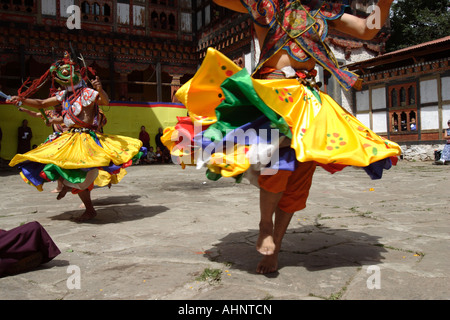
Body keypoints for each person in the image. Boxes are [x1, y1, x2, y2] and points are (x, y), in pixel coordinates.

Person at [162, 0, 401, 274]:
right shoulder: (267, 5)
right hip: (273, 98)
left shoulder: (323, 11)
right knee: (277, 167)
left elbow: (367, 29)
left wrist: (384, 3)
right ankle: (266, 224)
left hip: (308, 101)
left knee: (300, 177)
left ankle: (276, 243)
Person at [7, 51, 144, 222]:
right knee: (55, 164)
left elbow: (105, 102)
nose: (63, 78)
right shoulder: (64, 95)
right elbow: (41, 103)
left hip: (85, 138)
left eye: (66, 74)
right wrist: (21, 99)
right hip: (69, 137)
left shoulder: (86, 92)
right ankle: (71, 191)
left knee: (81, 173)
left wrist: (100, 90)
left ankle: (86, 205)